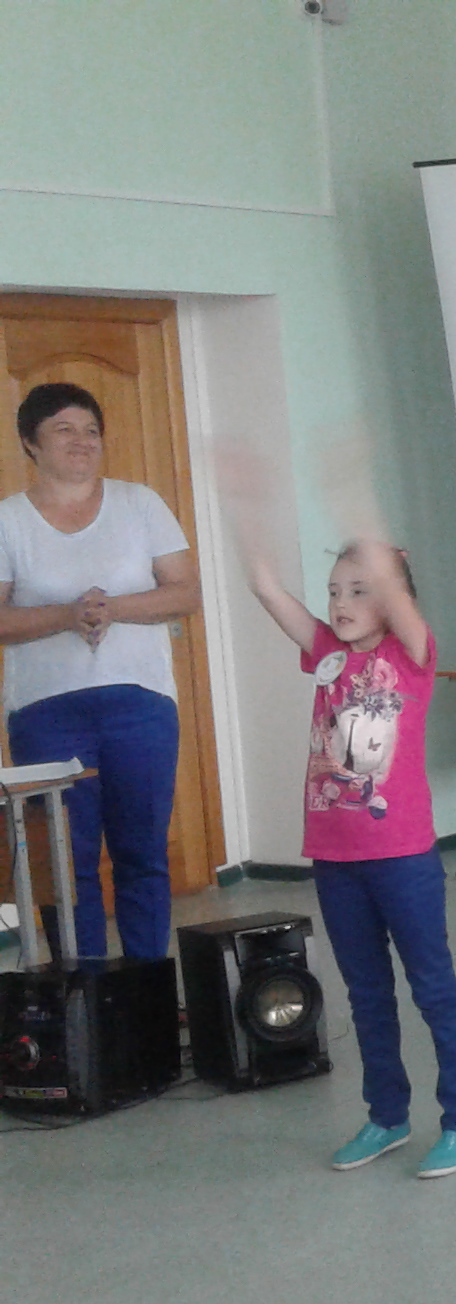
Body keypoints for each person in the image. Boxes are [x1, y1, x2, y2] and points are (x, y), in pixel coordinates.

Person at [248, 538, 456, 1178]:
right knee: (367, 993)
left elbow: (402, 603)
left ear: (393, 597)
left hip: (402, 856)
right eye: (334, 591)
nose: (341, 603)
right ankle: (386, 1116)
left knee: (433, 988)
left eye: (360, 591)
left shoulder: (411, 654)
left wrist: (369, 533)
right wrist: (248, 529)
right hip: (335, 858)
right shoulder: (326, 650)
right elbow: (267, 591)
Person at [0, 382, 201, 962]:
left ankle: (147, 988)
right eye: (64, 429)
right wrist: (66, 615)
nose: (82, 441)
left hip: (141, 706)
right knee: (65, 864)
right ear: (30, 443)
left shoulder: (140, 504)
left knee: (143, 854)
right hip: (45, 713)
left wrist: (112, 608)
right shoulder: (9, 520)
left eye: (91, 430)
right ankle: (83, 992)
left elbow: (185, 592)